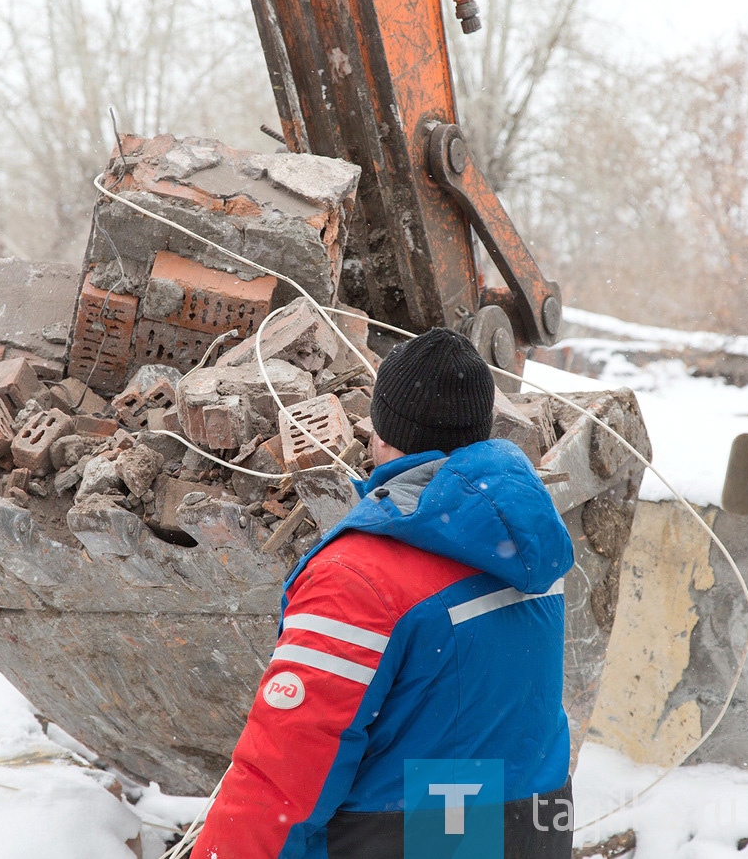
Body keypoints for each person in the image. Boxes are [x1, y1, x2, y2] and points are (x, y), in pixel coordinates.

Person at [190, 327, 575, 859]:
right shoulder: (529, 542)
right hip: (527, 829)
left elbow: (284, 771)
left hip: (413, 839)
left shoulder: (358, 578)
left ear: (380, 432)